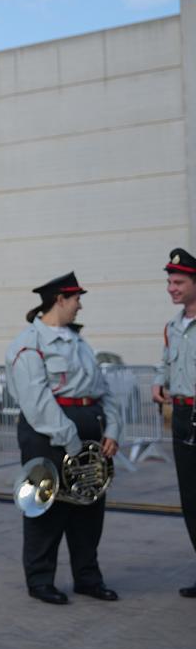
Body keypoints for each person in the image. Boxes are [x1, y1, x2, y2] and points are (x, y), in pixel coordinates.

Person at [5, 271, 122, 605]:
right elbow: (37, 402)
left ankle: (88, 578)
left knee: (89, 507)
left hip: (90, 432)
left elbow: (103, 390)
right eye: (76, 299)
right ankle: (40, 580)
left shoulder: (78, 342)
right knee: (48, 507)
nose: (79, 306)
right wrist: (73, 443)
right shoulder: (28, 343)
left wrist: (112, 429)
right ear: (60, 300)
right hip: (49, 436)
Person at [151, 248, 196, 597]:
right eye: (169, 282)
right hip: (182, 417)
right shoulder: (172, 327)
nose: (171, 288)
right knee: (190, 499)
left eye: (178, 282)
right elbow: (166, 361)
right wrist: (158, 381)